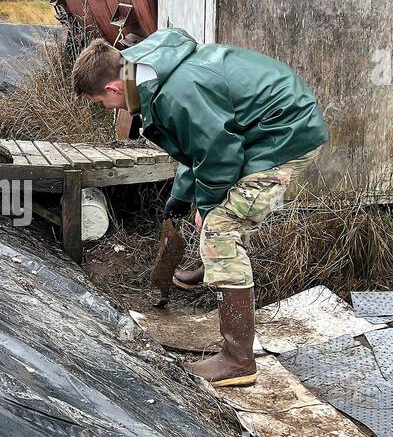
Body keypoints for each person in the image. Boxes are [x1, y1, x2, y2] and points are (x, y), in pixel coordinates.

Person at [71, 28, 328, 387]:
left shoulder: (177, 94)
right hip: (260, 128)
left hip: (285, 135)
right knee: (212, 212)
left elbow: (219, 153)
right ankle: (214, 263)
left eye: (101, 102)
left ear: (114, 88)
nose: (105, 108)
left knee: (220, 226)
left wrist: (207, 208)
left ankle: (238, 360)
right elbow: (197, 148)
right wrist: (181, 197)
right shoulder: (142, 69)